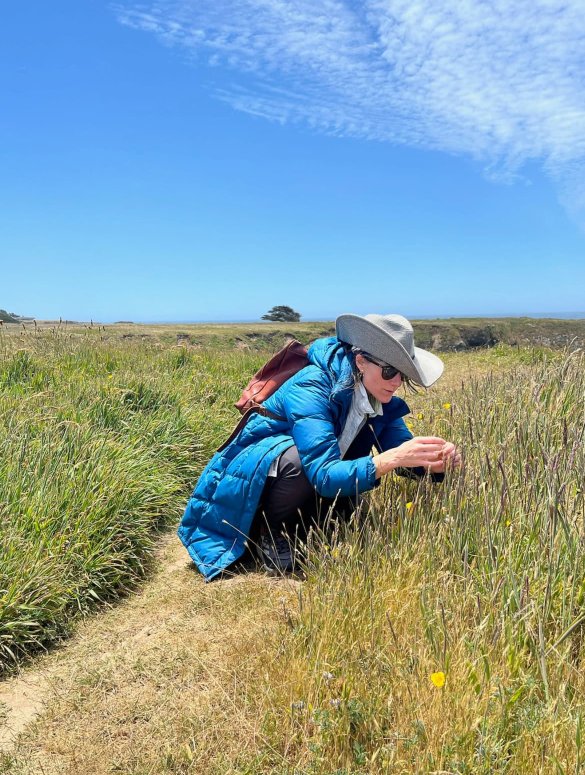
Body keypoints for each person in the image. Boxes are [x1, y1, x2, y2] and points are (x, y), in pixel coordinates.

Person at [178, 313, 461, 580]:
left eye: (403, 373)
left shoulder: (379, 400)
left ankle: (303, 523)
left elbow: (404, 456)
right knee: (298, 461)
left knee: (340, 509)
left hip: (308, 477)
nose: (397, 382)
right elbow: (323, 474)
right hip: (252, 476)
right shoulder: (312, 386)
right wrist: (390, 459)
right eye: (389, 371)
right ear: (361, 362)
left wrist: (434, 461)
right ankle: (273, 533)